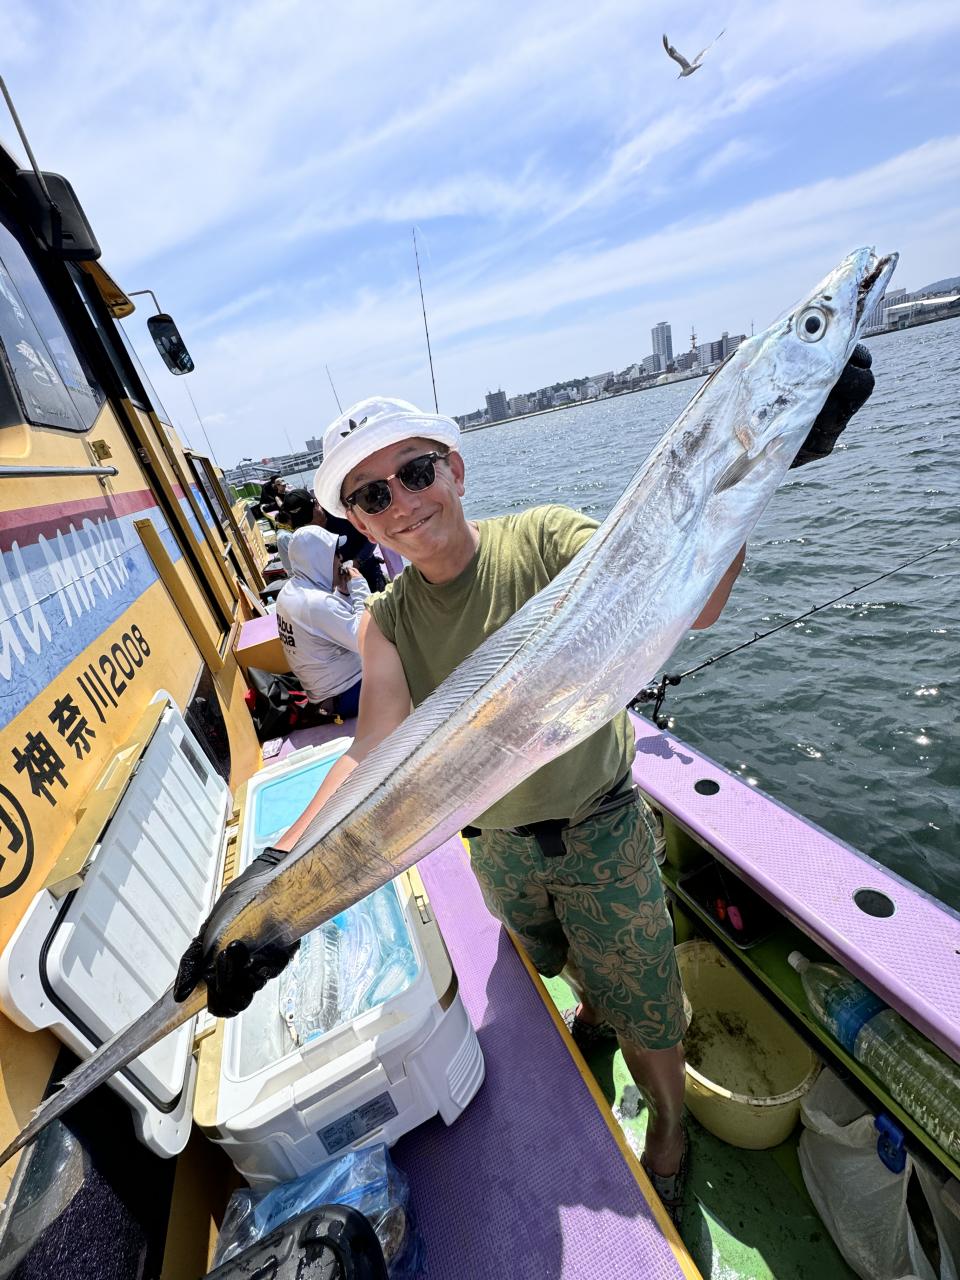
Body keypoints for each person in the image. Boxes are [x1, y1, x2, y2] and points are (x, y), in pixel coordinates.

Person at [179, 352, 874, 1223]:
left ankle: (668, 1127)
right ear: (356, 519)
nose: (402, 503)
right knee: (562, 962)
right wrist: (273, 878)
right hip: (499, 847)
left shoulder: (545, 540)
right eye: (372, 495)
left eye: (416, 472)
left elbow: (690, 601)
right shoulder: (386, 622)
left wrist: (753, 479)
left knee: (650, 1008)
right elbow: (370, 753)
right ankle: (593, 1012)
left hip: (601, 829)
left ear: (455, 470)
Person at [274, 525, 369, 719]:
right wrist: (360, 588)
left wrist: (343, 593)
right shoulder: (316, 603)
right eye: (335, 553)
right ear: (320, 560)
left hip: (327, 694)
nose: (341, 559)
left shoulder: (289, 592)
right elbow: (364, 638)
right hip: (348, 693)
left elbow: (327, 624)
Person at [277, 487, 388, 591]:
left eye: (309, 518)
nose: (309, 525)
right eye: (303, 522)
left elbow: (371, 536)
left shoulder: (342, 513)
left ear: (316, 504)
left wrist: (357, 561)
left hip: (369, 573)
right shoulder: (303, 532)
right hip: (338, 587)